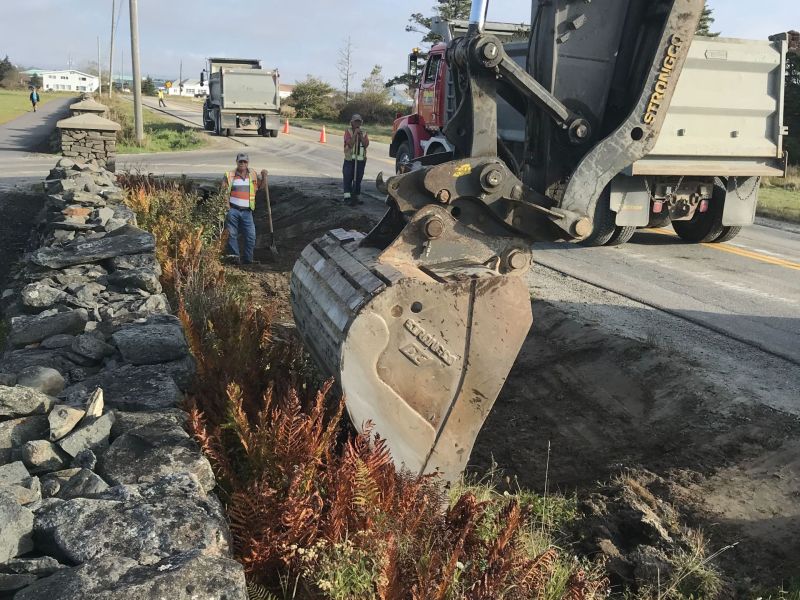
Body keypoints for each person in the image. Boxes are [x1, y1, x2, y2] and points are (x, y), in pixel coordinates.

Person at [221, 153, 266, 265]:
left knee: (251, 235)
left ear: (247, 163)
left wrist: (264, 177)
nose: (242, 164)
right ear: (236, 162)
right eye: (240, 161)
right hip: (233, 210)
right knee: (232, 234)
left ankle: (248, 259)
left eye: (244, 162)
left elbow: (261, 187)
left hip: (247, 211)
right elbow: (223, 191)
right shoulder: (229, 175)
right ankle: (235, 258)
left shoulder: (253, 175)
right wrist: (227, 206)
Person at [342, 114, 369, 205]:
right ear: (352, 123)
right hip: (349, 159)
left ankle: (357, 195)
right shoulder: (348, 131)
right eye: (356, 121)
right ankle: (347, 196)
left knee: (358, 178)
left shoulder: (364, 132)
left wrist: (360, 136)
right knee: (348, 177)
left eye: (359, 121)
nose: (357, 123)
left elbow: (366, 145)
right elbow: (350, 144)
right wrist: (354, 134)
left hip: (361, 160)